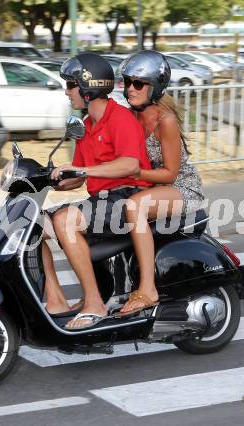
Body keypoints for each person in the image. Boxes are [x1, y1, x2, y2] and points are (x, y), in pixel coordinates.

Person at [42, 52, 152, 330]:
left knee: (65, 220)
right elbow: (76, 177)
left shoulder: (120, 118)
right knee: (33, 223)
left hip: (126, 195)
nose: (67, 92)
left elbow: (130, 164)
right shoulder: (86, 126)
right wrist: (52, 179)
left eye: (71, 85)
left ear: (88, 87)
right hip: (100, 200)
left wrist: (84, 171)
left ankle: (94, 303)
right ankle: (55, 300)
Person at [116, 50, 205, 316]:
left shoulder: (165, 121)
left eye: (138, 84)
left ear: (154, 87)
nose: (130, 88)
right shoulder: (131, 116)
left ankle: (148, 289)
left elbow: (169, 173)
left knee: (134, 207)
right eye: (127, 82)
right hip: (151, 188)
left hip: (182, 188)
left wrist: (133, 174)